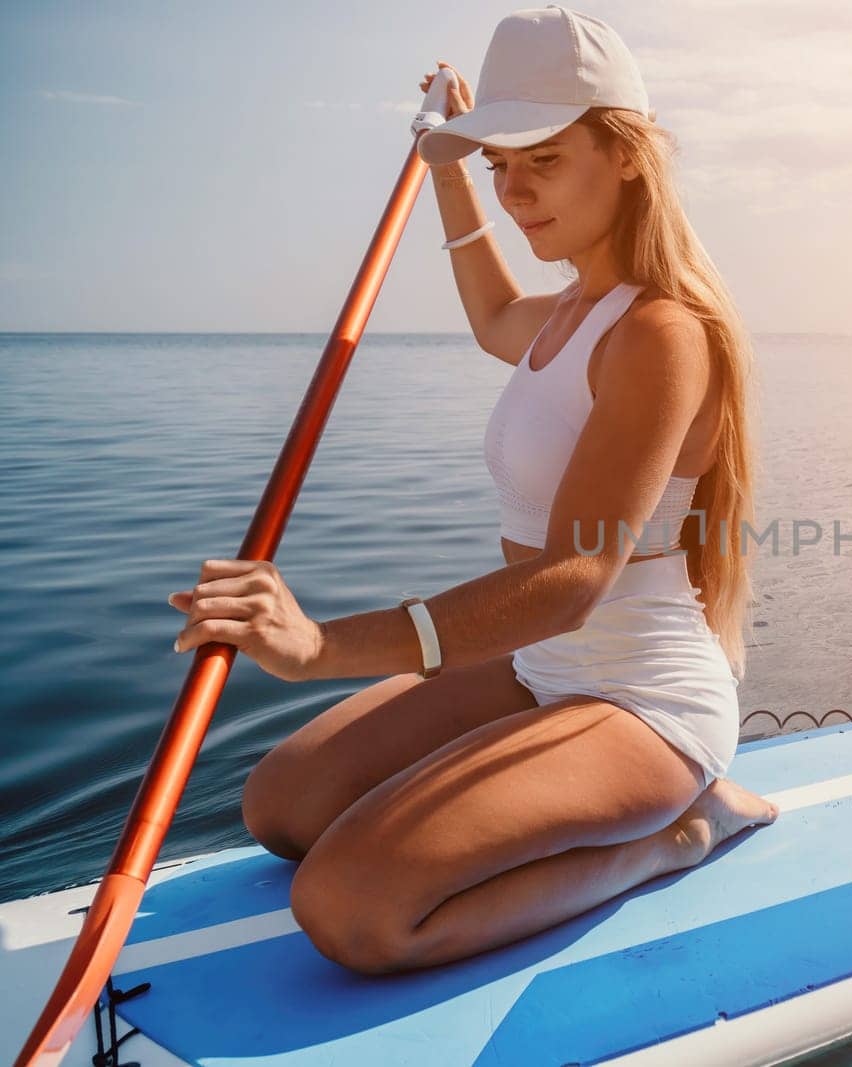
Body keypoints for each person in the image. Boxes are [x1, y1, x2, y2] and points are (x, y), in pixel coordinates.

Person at [166, 5, 778, 976]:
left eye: (542, 156)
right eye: (500, 161)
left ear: (624, 154)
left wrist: (323, 645)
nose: (515, 188)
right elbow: (490, 306)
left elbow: (575, 575)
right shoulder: (565, 313)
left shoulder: (661, 332)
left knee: (352, 910)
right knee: (280, 806)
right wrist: (448, 168)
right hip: (538, 669)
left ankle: (680, 831)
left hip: (642, 698)